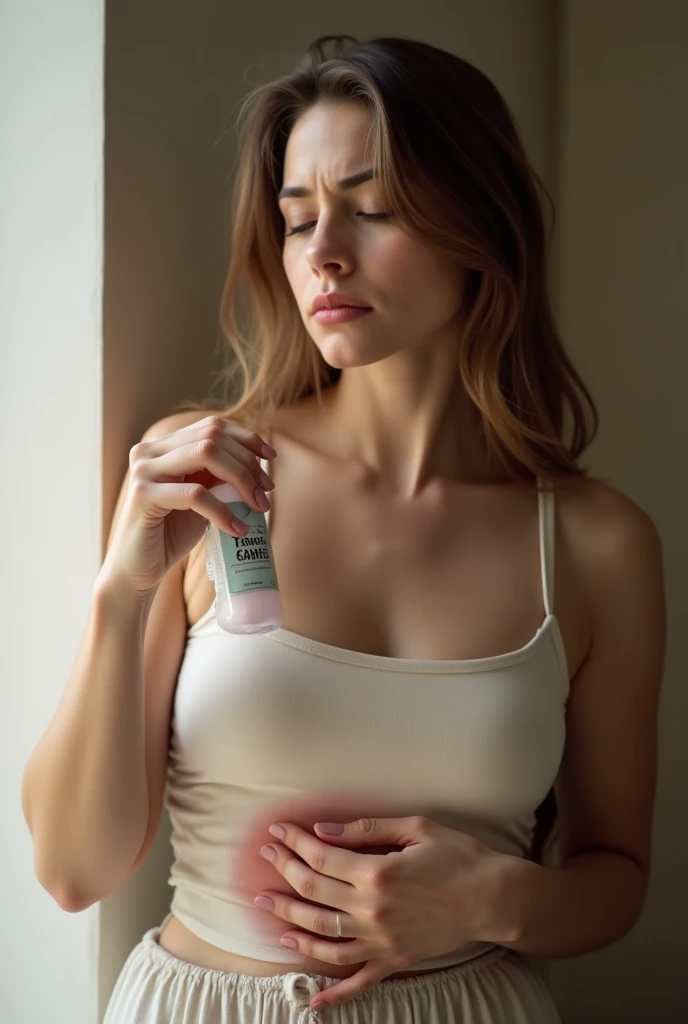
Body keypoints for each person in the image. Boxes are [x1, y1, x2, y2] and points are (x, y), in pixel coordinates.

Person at [22, 34, 665, 1024]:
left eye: (370, 210)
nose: (321, 252)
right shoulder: (207, 476)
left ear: (479, 226)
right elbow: (72, 869)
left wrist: (496, 897)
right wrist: (120, 594)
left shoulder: (595, 546)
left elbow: (615, 872)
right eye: (295, 219)